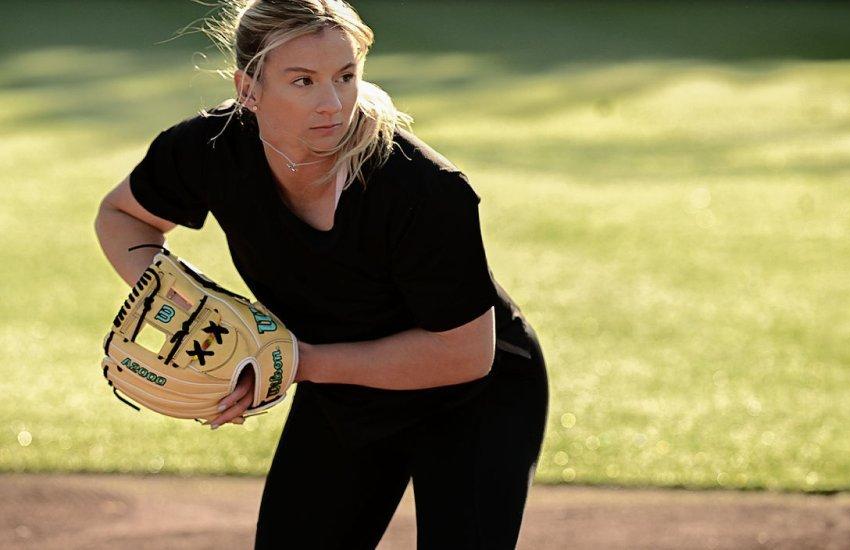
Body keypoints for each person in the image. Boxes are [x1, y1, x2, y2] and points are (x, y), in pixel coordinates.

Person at [93, 1, 549, 548]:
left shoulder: (422, 189)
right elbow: (121, 216)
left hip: (475, 393)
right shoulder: (209, 150)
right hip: (346, 388)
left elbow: (465, 353)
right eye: (303, 81)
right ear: (248, 88)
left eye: (346, 76)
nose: (332, 103)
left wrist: (288, 361)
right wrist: (190, 308)